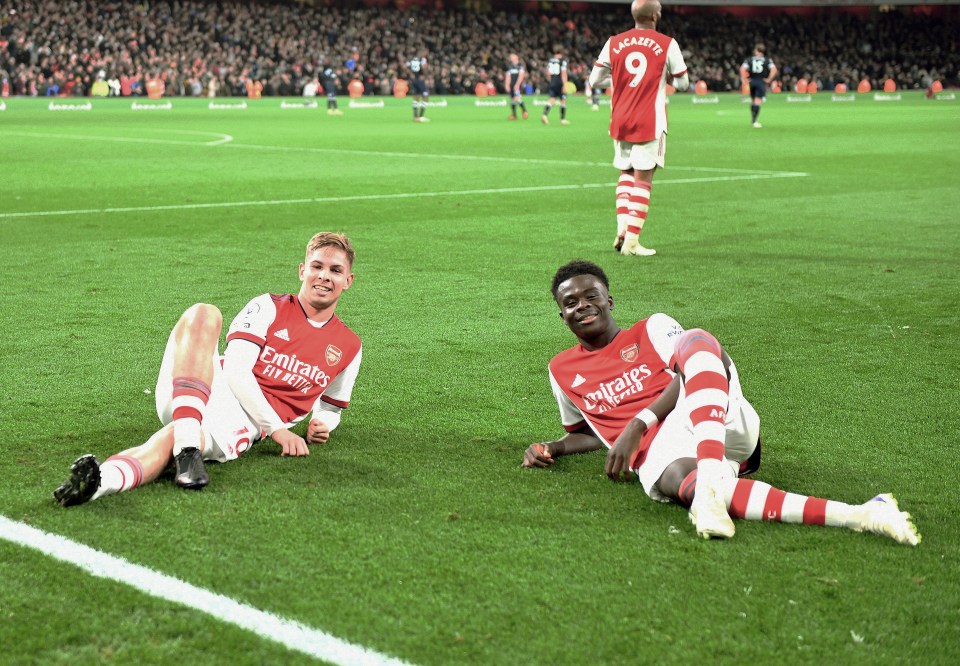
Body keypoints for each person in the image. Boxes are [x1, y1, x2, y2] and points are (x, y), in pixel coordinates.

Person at [521, 259, 921, 546]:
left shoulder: (652, 327)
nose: (582, 305)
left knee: (696, 338)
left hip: (709, 414)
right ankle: (863, 513)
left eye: (591, 296)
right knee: (687, 484)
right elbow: (588, 432)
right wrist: (552, 447)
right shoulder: (561, 369)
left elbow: (690, 372)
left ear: (611, 301)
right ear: (562, 316)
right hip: (663, 455)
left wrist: (637, 423)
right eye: (570, 303)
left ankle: (710, 476)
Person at [54, 233, 363, 506]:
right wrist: (278, 429)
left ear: (348, 280)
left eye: (335, 270)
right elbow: (236, 371)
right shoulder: (268, 307)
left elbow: (332, 408)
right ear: (302, 270)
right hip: (198, 384)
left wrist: (323, 424)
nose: (324, 276)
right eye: (317, 266)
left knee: (168, 438)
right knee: (204, 313)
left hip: (241, 420)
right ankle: (188, 447)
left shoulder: (349, 346)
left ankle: (97, 482)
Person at [588, 0, 689, 258]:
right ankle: (632, 243)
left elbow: (594, 80)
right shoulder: (668, 44)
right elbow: (684, 82)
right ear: (655, 15)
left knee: (626, 172)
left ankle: (622, 229)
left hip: (620, 118)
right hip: (649, 121)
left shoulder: (614, 42)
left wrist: (621, 80)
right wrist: (657, 79)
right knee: (643, 179)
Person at [740, 43, 777, 128]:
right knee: (757, 101)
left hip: (752, 81)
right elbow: (774, 69)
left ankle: (753, 119)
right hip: (761, 81)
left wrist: (744, 79)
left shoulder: (749, 59)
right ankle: (754, 121)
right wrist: (769, 79)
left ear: (757, 51)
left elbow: (742, 68)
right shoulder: (767, 59)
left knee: (753, 100)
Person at [541, 48, 569, 126]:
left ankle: (544, 114)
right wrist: (564, 85)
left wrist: (551, 80)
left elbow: (547, 73)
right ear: (561, 53)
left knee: (552, 99)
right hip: (560, 83)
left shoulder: (550, 61)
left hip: (553, 82)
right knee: (563, 100)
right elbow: (564, 74)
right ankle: (562, 119)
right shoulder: (562, 61)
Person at [406, 51, 430, 123]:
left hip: (414, 80)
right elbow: (424, 67)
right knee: (425, 96)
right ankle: (421, 116)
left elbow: (405, 66)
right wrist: (424, 74)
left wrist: (411, 74)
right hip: (420, 80)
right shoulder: (422, 59)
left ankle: (415, 116)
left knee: (416, 97)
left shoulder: (412, 59)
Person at [505, 53, 528, 121]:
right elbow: (508, 76)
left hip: (517, 85)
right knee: (513, 100)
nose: (510, 58)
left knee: (516, 98)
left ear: (516, 58)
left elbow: (521, 76)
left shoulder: (520, 66)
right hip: (512, 85)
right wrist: (507, 84)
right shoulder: (510, 66)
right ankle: (514, 115)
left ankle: (524, 111)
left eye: (512, 57)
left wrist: (517, 84)